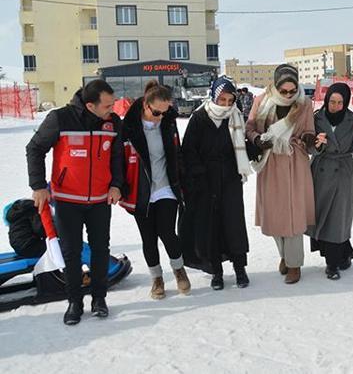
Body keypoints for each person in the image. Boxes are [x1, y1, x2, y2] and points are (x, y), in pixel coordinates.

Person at [26, 79, 124, 325]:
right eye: (107, 105)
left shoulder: (113, 123)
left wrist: (116, 185)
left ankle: (99, 299)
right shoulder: (60, 118)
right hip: (68, 200)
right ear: (90, 105)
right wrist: (38, 186)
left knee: (100, 250)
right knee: (72, 253)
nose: (112, 109)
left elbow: (117, 157)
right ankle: (75, 302)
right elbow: (35, 148)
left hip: (100, 199)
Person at [246, 64, 317, 284]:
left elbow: (309, 130)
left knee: (294, 215)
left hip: (295, 161)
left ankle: (294, 264)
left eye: (292, 91)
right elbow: (250, 127)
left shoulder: (304, 103)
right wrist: (258, 139)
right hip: (270, 162)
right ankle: (284, 255)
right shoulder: (261, 101)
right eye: (283, 91)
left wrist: (308, 138)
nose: (288, 95)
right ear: (276, 86)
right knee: (275, 214)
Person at [120, 80, 190, 299]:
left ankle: (179, 270)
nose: (161, 117)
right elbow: (118, 160)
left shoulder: (168, 123)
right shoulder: (129, 127)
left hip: (166, 187)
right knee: (148, 238)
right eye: (157, 112)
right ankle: (157, 278)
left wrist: (183, 180)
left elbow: (177, 154)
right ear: (145, 105)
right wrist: (120, 186)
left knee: (167, 232)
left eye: (165, 112)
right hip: (140, 191)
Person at [180, 76, 251, 290]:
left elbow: (242, 146)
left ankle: (240, 268)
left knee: (234, 223)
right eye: (222, 99)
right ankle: (216, 271)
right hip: (206, 181)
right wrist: (199, 174)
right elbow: (189, 150)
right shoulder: (200, 118)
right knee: (211, 226)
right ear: (214, 97)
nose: (226, 104)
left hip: (230, 178)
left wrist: (258, 146)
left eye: (230, 100)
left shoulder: (235, 117)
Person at [306, 82, 353, 280]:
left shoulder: (352, 121)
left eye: (340, 102)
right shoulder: (316, 118)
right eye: (332, 101)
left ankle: (332, 265)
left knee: (338, 218)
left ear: (346, 102)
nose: (335, 106)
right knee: (322, 215)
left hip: (342, 173)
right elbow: (307, 146)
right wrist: (317, 145)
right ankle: (343, 252)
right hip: (320, 171)